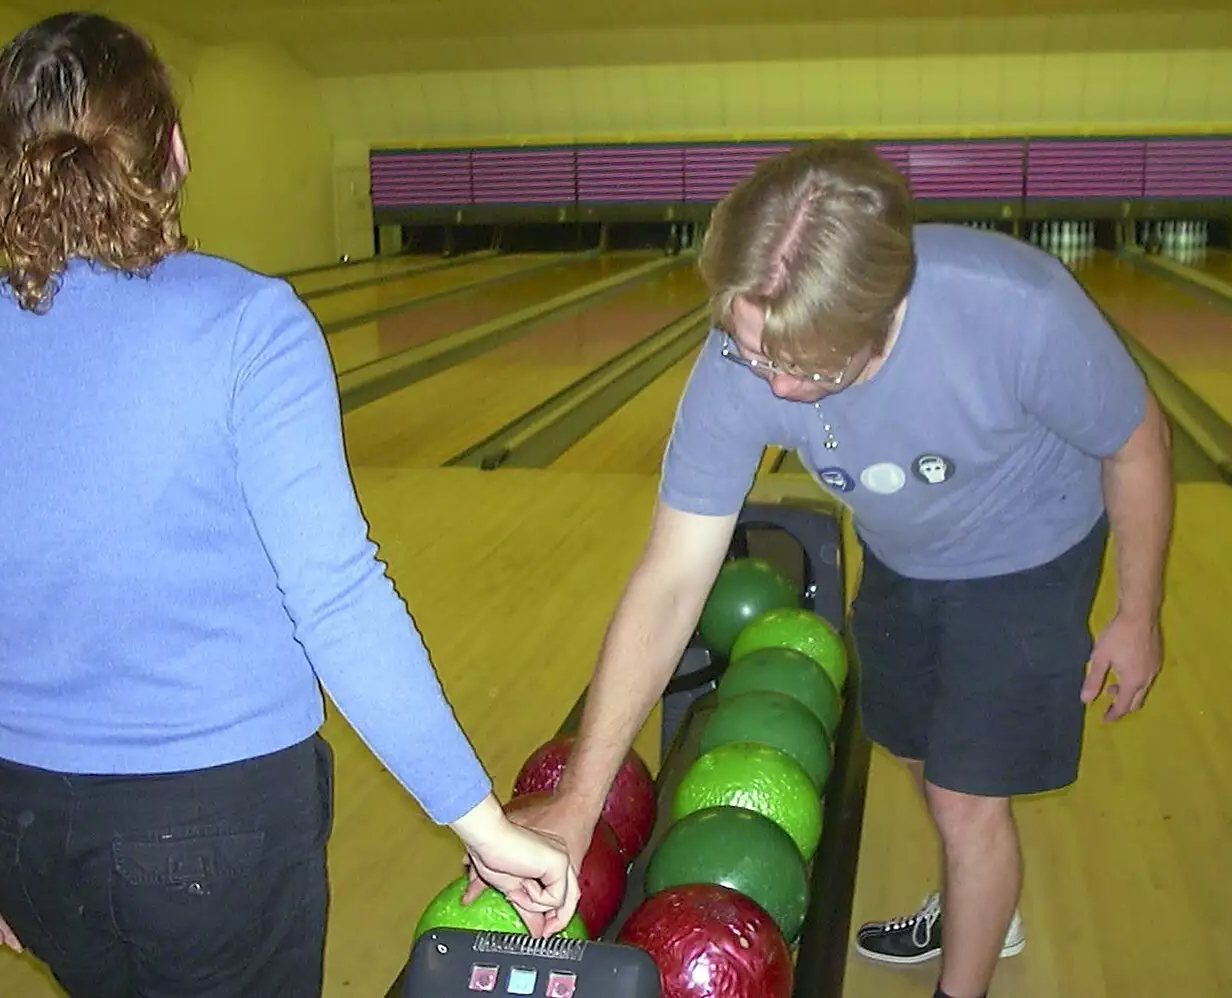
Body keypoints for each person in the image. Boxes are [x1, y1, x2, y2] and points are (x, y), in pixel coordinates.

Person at [0, 13, 577, 998]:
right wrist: (478, 820)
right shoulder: (251, 323)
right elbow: (333, 597)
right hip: (219, 831)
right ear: (174, 149)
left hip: (27, 823)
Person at [495, 141, 1173, 998]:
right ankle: (976, 895)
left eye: (806, 369)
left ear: (886, 313)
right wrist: (580, 800)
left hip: (1028, 555)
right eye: (754, 354)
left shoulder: (1016, 310)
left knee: (969, 802)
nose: (772, 390)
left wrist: (1136, 613)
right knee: (923, 760)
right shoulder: (746, 355)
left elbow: (1137, 441)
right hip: (905, 554)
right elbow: (671, 578)